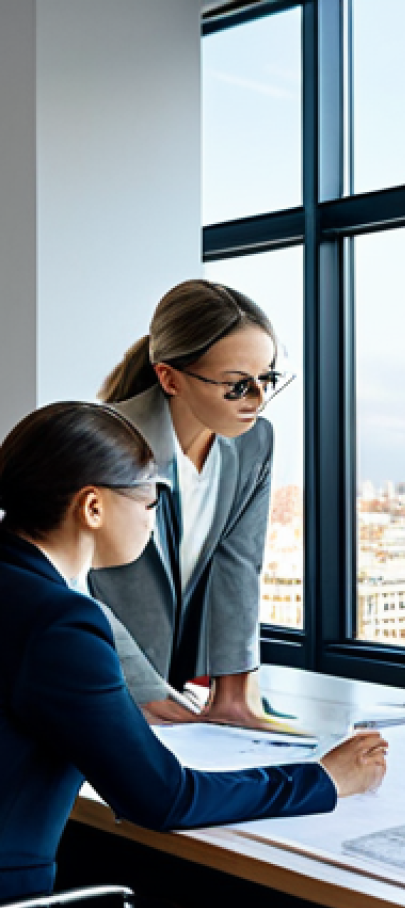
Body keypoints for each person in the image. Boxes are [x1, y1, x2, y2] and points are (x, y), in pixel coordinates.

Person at [0, 402, 387, 908]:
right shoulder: (61, 623)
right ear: (92, 507)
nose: (158, 515)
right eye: (151, 498)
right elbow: (160, 799)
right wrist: (325, 779)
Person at [91, 279, 294, 730]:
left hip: (179, 690)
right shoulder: (100, 440)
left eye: (269, 379)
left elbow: (238, 565)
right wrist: (142, 689)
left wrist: (235, 695)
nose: (259, 401)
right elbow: (71, 585)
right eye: (238, 386)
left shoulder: (255, 441)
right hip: (93, 680)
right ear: (169, 378)